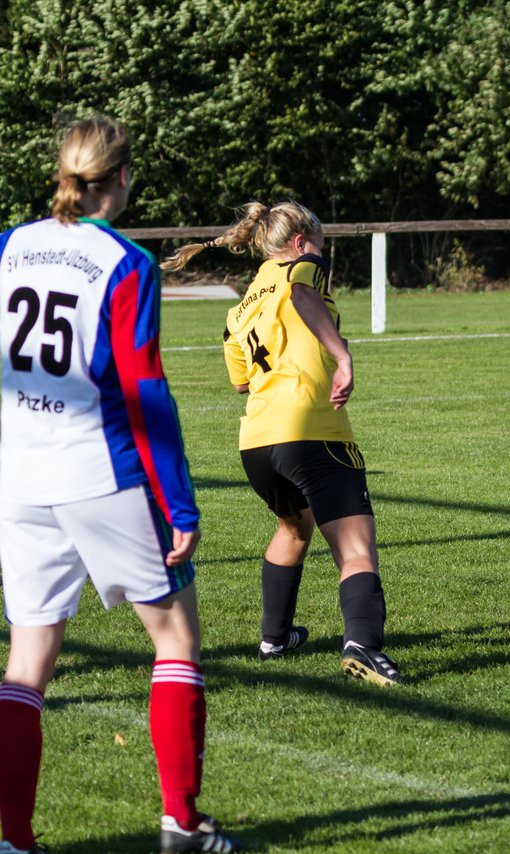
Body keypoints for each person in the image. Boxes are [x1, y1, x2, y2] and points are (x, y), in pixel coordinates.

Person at [0, 118, 241, 853]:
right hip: (100, 470)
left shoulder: (10, 245)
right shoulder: (125, 261)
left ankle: (11, 840)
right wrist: (179, 503)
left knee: (26, 662)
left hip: (19, 475)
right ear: (124, 177)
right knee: (174, 640)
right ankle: (182, 823)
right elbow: (144, 391)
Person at [162, 201, 403, 688]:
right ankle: (363, 646)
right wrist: (342, 357)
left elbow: (240, 382)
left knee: (295, 528)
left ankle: (275, 637)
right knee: (356, 550)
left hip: (257, 442)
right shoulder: (303, 266)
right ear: (299, 243)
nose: (321, 252)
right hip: (311, 431)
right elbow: (301, 296)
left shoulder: (239, 306)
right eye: (318, 242)